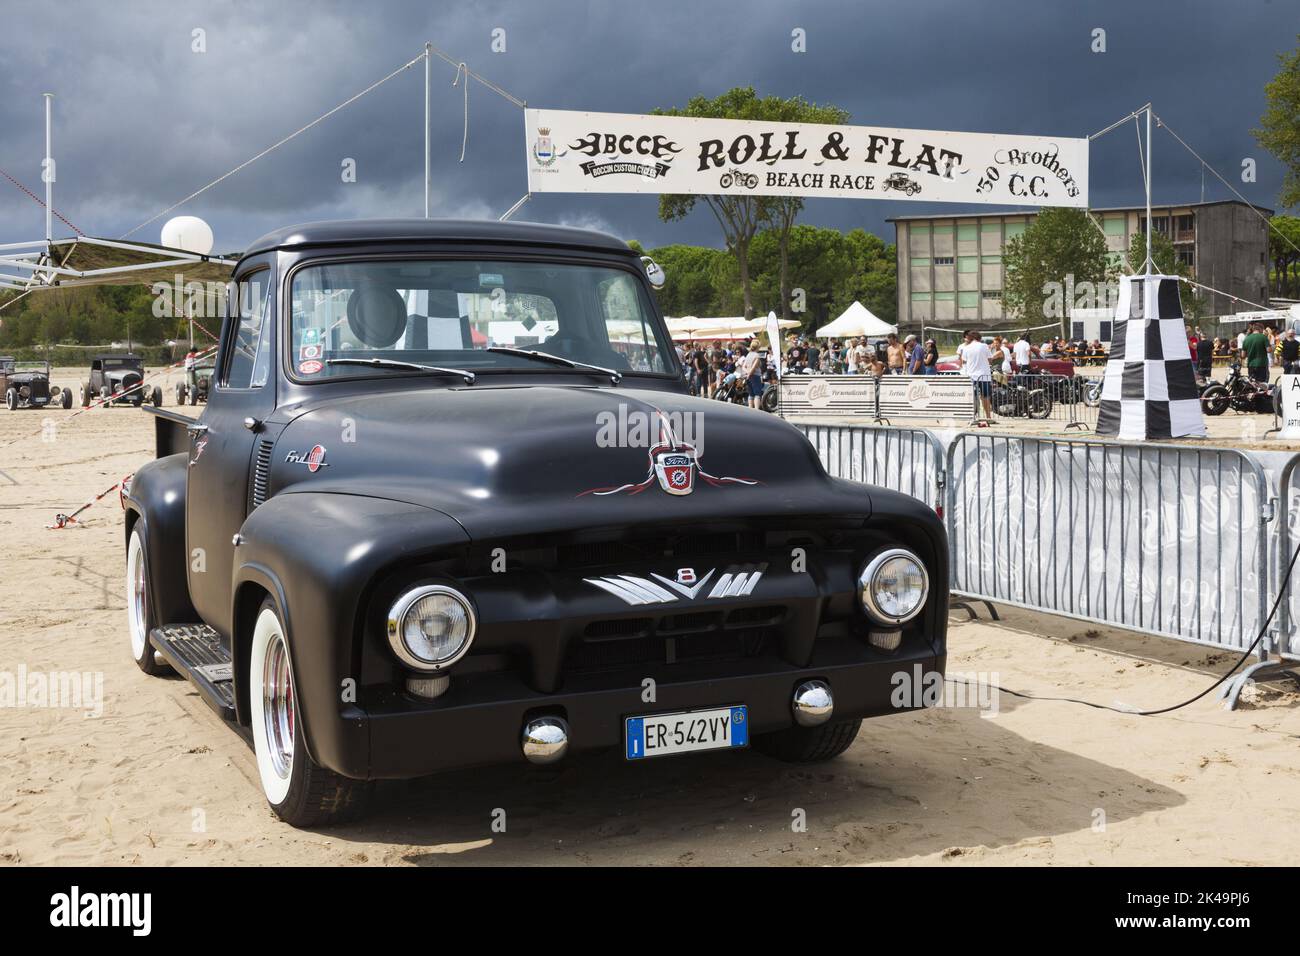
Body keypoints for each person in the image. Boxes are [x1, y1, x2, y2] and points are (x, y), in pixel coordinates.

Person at [958, 330, 993, 419]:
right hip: (984, 375)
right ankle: (988, 417)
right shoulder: (984, 346)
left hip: (972, 375)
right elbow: (990, 359)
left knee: (972, 397)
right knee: (985, 397)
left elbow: (963, 361)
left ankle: (972, 417)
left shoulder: (966, 348)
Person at [736, 343, 764, 409]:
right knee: (757, 394)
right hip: (755, 376)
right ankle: (757, 410)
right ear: (757, 348)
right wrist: (750, 373)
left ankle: (750, 409)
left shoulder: (748, 355)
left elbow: (743, 367)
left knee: (751, 394)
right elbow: (753, 367)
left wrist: (747, 373)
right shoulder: (756, 355)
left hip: (747, 376)